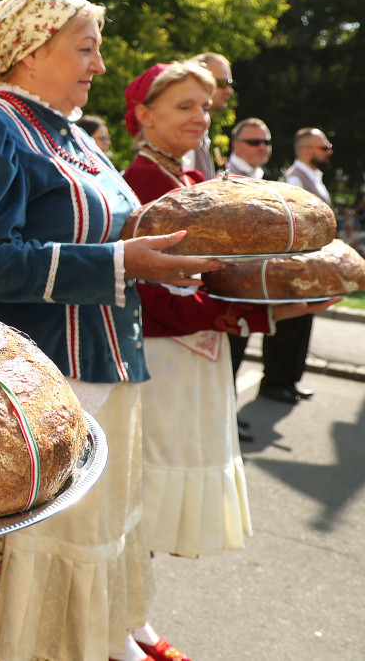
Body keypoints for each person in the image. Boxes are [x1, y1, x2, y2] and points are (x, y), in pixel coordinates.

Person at [0, 0, 222, 661]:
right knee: (53, 541)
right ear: (31, 53)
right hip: (43, 376)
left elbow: (116, 238)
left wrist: (163, 263)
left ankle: (105, 639)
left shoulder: (74, 137)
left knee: (102, 527)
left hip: (106, 365)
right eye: (85, 49)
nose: (99, 66)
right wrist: (123, 258)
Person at [120, 62, 333, 560]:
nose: (201, 118)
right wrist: (249, 319)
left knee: (170, 491)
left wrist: (281, 304)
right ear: (145, 115)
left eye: (205, 107)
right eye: (185, 106)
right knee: (148, 489)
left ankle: (137, 616)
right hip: (162, 353)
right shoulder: (139, 180)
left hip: (201, 350)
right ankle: (129, 621)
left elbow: (223, 278)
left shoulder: (194, 177)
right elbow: (150, 293)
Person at [258, 127, 334, 404]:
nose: (329, 151)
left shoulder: (312, 176)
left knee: (301, 325)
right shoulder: (294, 179)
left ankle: (288, 381)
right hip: (293, 268)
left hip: (308, 266)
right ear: (306, 150)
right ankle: (275, 381)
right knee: (288, 326)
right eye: (323, 147)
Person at [223, 117, 273, 396]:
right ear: (237, 145)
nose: (262, 147)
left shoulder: (258, 177)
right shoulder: (228, 177)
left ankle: (228, 413)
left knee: (238, 351)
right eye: (255, 142)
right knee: (229, 354)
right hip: (230, 282)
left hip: (250, 279)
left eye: (266, 142)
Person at [181, 51, 234, 179]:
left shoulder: (201, 133)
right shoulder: (184, 132)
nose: (229, 91)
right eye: (221, 83)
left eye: (229, 83)